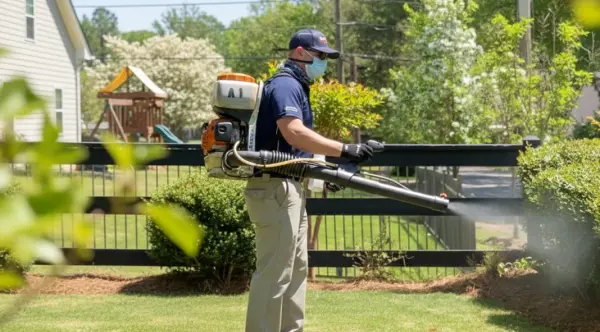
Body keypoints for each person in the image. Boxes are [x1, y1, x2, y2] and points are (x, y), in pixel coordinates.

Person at [243, 28, 374, 332]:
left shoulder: (297, 86)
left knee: (296, 268)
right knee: (275, 271)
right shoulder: (286, 84)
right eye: (320, 56)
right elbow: (295, 132)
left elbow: (295, 149)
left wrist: (324, 176)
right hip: (274, 188)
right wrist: (346, 149)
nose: (323, 63)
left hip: (288, 187)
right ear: (300, 53)